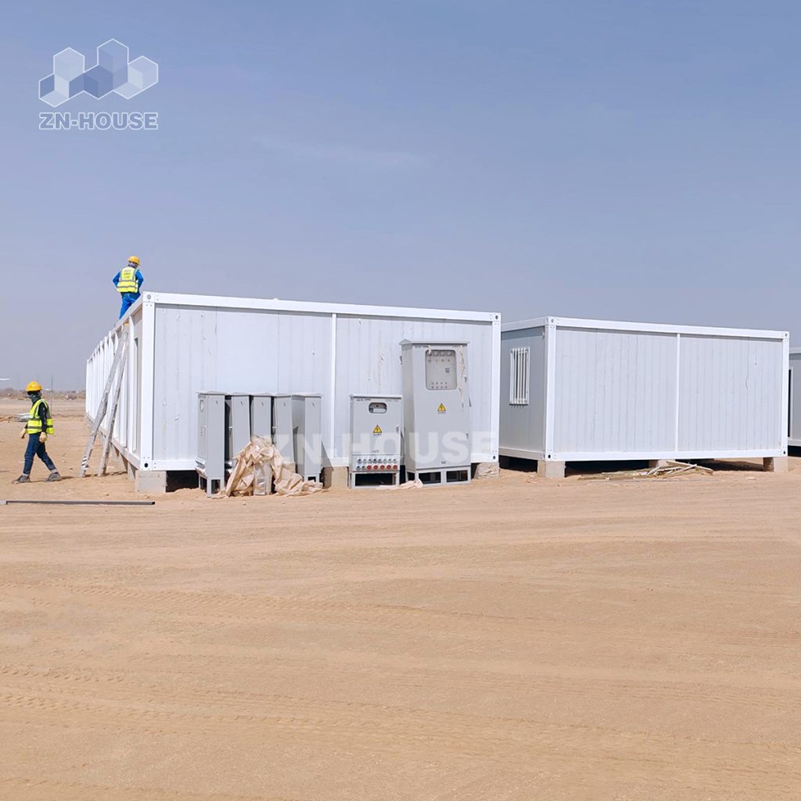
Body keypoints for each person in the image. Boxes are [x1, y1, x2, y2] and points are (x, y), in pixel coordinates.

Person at [13, 381, 61, 484]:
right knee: (42, 454)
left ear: (38, 393)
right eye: (30, 393)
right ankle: (55, 473)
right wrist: (25, 429)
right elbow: (33, 419)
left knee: (29, 454)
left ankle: (25, 476)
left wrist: (43, 432)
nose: (31, 395)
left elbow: (43, 419)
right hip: (34, 432)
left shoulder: (41, 404)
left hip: (37, 433)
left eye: (33, 393)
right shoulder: (35, 405)